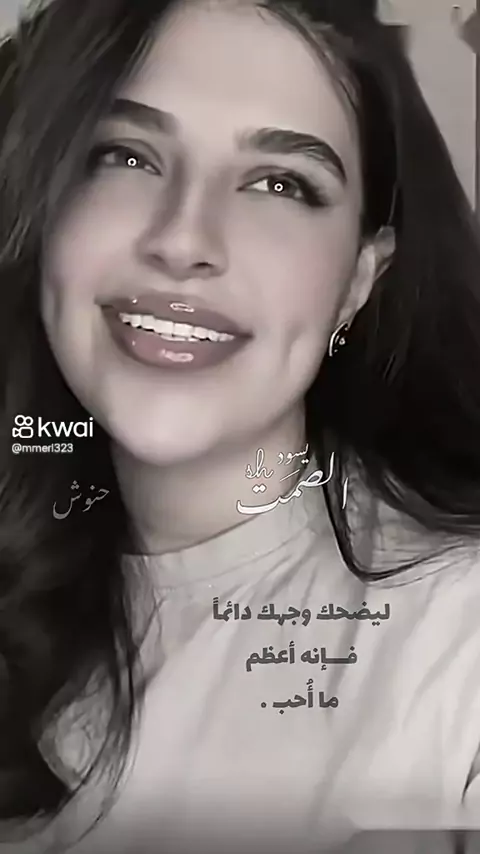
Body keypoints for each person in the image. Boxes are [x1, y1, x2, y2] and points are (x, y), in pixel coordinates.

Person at [1, 0, 480, 852]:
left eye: (281, 183)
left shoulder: (457, 638)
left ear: (358, 281)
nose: (184, 239)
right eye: (125, 155)